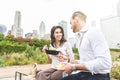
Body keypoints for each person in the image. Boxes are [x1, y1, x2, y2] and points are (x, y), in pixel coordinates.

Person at [61, 11, 112, 80]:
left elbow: (105, 62)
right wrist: (70, 61)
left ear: (76, 19)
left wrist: (74, 67)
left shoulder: (93, 32)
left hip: (98, 76)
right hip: (85, 74)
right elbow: (86, 61)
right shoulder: (79, 37)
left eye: (71, 23)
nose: (70, 27)